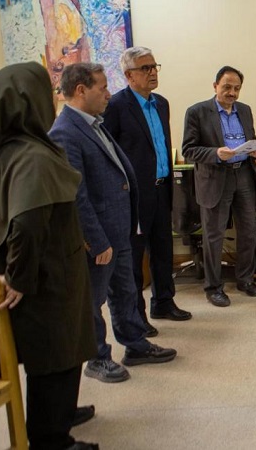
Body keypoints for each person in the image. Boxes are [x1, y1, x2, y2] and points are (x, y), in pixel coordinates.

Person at [0, 62, 98, 449]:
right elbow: (27, 223)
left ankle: (55, 419)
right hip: (47, 280)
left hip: (9, 278)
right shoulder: (35, 157)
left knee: (41, 357)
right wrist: (19, 278)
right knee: (58, 357)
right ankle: (51, 439)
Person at [50, 62, 177, 383]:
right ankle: (97, 358)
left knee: (124, 291)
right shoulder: (65, 132)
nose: (109, 93)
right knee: (92, 301)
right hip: (98, 237)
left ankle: (135, 344)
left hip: (119, 228)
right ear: (81, 90)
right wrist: (95, 239)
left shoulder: (94, 123)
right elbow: (75, 193)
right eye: (103, 87)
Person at [103, 47, 192, 332]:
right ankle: (136, 315)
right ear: (129, 75)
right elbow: (108, 152)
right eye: (145, 68)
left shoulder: (161, 103)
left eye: (154, 66)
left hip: (162, 187)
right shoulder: (116, 106)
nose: (153, 72)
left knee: (163, 248)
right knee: (134, 256)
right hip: (134, 194)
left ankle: (163, 302)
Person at [182, 66, 256, 306]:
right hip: (216, 177)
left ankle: (245, 280)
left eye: (237, 88)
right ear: (215, 86)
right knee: (214, 235)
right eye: (227, 87)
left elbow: (250, 139)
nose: (232, 93)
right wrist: (216, 153)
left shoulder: (245, 110)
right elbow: (188, 150)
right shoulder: (197, 112)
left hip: (244, 175)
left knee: (248, 231)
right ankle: (213, 287)